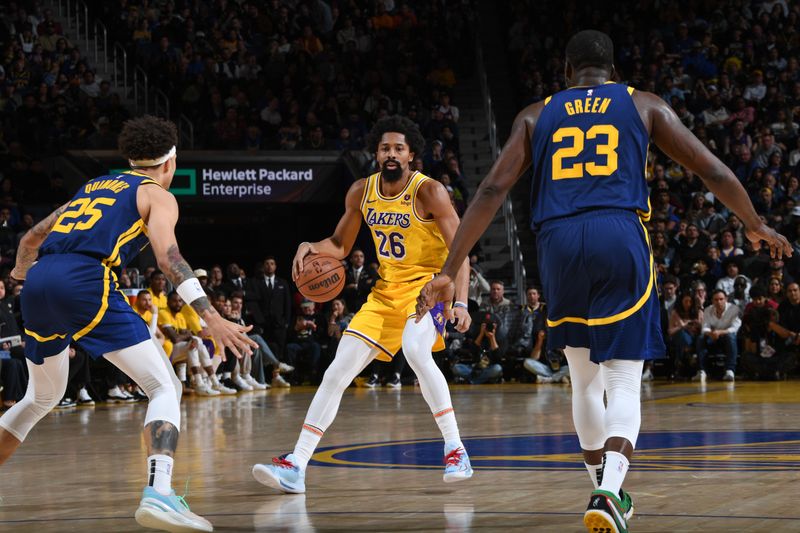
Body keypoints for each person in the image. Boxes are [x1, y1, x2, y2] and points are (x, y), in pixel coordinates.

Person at [416, 30, 791, 533]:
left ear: (567, 73)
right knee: (622, 379)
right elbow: (711, 168)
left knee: (583, 378)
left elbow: (491, 188)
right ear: (612, 71)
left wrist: (448, 270)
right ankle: (610, 490)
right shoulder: (644, 105)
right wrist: (753, 222)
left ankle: (602, 485)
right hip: (618, 231)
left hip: (558, 242)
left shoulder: (535, 114)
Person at [0, 115, 256, 532]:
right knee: (165, 386)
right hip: (85, 280)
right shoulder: (157, 194)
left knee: (40, 398)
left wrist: (26, 277)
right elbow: (168, 259)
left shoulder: (94, 186)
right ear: (170, 162)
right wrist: (212, 316)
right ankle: (159, 493)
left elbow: (30, 240)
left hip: (40, 281)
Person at [253, 115, 474, 494]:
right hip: (386, 293)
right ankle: (297, 465)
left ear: (412, 155)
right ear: (376, 152)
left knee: (416, 350)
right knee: (337, 371)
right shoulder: (361, 191)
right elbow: (340, 246)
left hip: (429, 289)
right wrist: (312, 246)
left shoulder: (430, 192)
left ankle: (455, 448)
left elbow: (462, 249)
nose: (391, 154)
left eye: (399, 149)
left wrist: (463, 302)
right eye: (385, 147)